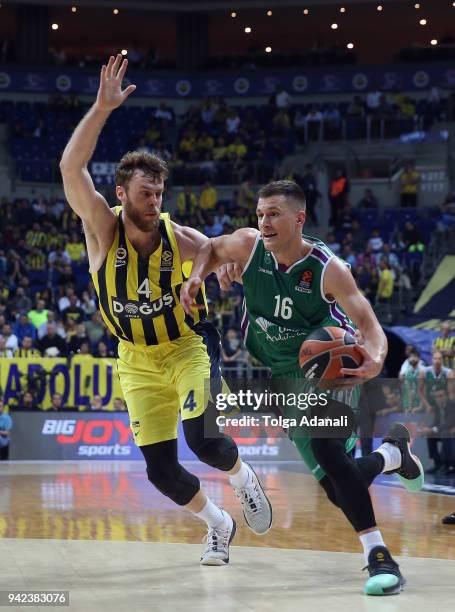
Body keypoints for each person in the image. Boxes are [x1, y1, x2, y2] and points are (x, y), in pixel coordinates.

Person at [59, 54, 271, 566]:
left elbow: (234, 243)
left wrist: (220, 267)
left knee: (203, 440)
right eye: (145, 192)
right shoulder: (102, 231)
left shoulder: (180, 237)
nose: (154, 201)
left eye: (159, 192)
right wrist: (102, 108)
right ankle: (218, 524)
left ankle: (245, 478)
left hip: (187, 347)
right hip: (135, 358)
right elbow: (71, 167)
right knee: (160, 471)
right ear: (121, 193)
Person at [182, 179, 424, 595]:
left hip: (331, 364)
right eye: (260, 214)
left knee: (329, 449)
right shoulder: (248, 246)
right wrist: (198, 277)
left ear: (299, 218)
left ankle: (378, 556)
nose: (265, 221)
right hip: (284, 377)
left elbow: (370, 326)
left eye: (274, 213)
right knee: (336, 485)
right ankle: (391, 454)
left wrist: (377, 358)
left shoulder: (328, 268)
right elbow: (210, 248)